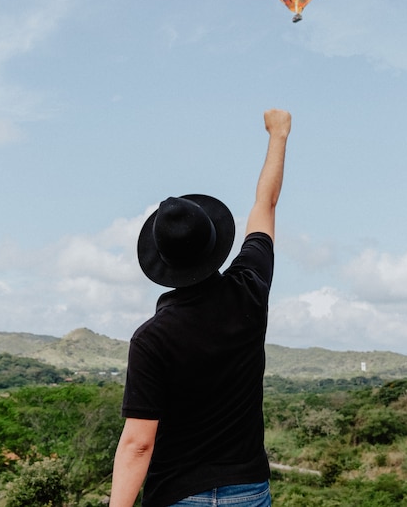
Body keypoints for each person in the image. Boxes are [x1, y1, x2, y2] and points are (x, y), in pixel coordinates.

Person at [109, 108, 292, 507]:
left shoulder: (152, 338)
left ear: (161, 263)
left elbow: (139, 444)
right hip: (249, 491)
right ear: (215, 243)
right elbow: (267, 203)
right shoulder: (250, 288)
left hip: (177, 495)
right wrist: (278, 135)